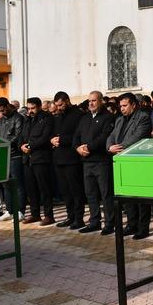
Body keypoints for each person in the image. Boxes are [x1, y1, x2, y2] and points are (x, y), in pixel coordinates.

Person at [107, 93, 153, 239]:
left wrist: (118, 147)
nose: (122, 108)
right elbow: (111, 136)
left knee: (141, 199)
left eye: (125, 105)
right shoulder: (120, 119)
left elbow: (137, 138)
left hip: (137, 161)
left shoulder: (143, 117)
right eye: (120, 106)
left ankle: (143, 228)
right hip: (122, 162)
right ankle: (131, 225)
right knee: (127, 197)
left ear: (133, 104)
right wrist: (109, 147)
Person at [73, 91, 116, 234]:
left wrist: (88, 147)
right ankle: (94, 221)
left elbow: (104, 137)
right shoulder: (84, 118)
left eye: (94, 101)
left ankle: (110, 223)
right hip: (86, 162)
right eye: (89, 100)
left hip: (101, 162)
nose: (91, 103)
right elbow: (76, 136)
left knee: (106, 194)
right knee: (90, 194)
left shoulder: (108, 117)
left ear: (101, 101)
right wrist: (78, 148)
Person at [52, 91, 86, 229]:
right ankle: (70, 216)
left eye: (60, 105)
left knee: (76, 190)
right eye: (57, 105)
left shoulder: (78, 115)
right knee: (65, 191)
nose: (59, 108)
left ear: (67, 101)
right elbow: (54, 133)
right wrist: (52, 139)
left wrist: (61, 140)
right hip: (59, 158)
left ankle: (79, 218)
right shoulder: (58, 116)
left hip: (72, 158)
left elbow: (79, 135)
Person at [21, 97, 57, 226]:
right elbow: (22, 136)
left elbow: (45, 137)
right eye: (28, 108)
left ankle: (49, 215)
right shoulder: (27, 120)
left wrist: (30, 147)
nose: (30, 111)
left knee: (44, 188)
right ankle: (35, 214)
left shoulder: (46, 118)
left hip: (41, 158)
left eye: (33, 108)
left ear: (39, 106)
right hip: (27, 159)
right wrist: (22, 146)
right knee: (31, 189)